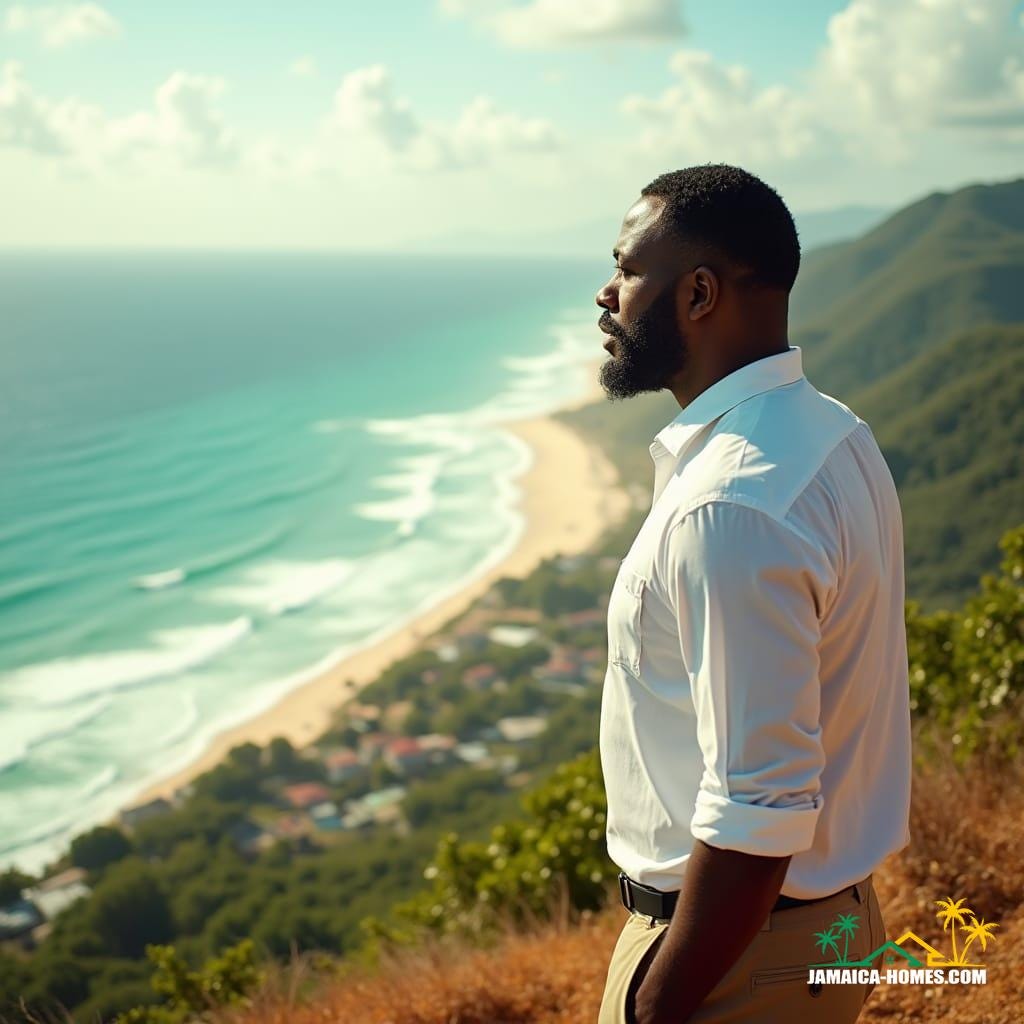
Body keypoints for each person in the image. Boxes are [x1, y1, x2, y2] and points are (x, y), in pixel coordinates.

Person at [594, 163, 912, 1024]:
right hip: (811, 933)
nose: (607, 294)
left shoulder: (731, 504)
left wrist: (656, 1004)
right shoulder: (832, 433)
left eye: (627, 269)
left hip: (735, 962)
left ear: (699, 293)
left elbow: (758, 811)